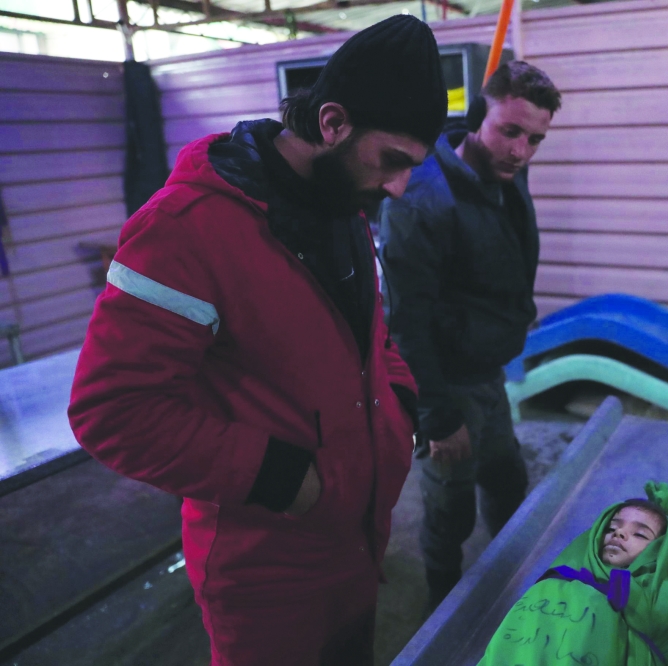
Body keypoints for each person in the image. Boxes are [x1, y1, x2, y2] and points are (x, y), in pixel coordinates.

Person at [67, 16, 447, 666]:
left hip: (357, 542)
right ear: (333, 123)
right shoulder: (186, 229)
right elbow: (112, 411)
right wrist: (285, 479)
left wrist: (401, 407)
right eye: (392, 161)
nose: (399, 186)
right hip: (266, 575)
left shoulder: (341, 205)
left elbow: (370, 334)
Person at [378, 61, 562, 610]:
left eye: (535, 139)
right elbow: (405, 322)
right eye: (510, 131)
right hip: (447, 383)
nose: (521, 151)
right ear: (480, 114)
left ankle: (517, 584)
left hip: (487, 374)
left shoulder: (507, 174)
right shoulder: (421, 200)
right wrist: (437, 417)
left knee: (507, 482)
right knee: (449, 508)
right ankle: (441, 611)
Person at [478, 482, 668, 666]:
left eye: (640, 534)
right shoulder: (558, 583)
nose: (619, 534)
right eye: (611, 528)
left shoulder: (666, 603)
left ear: (660, 552)